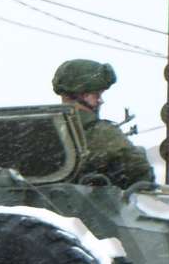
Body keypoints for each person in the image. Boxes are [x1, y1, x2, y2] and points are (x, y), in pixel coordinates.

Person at [52, 59, 155, 189]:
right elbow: (138, 172)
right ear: (83, 94)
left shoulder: (41, 129)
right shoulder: (101, 132)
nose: (101, 101)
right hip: (90, 205)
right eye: (96, 95)